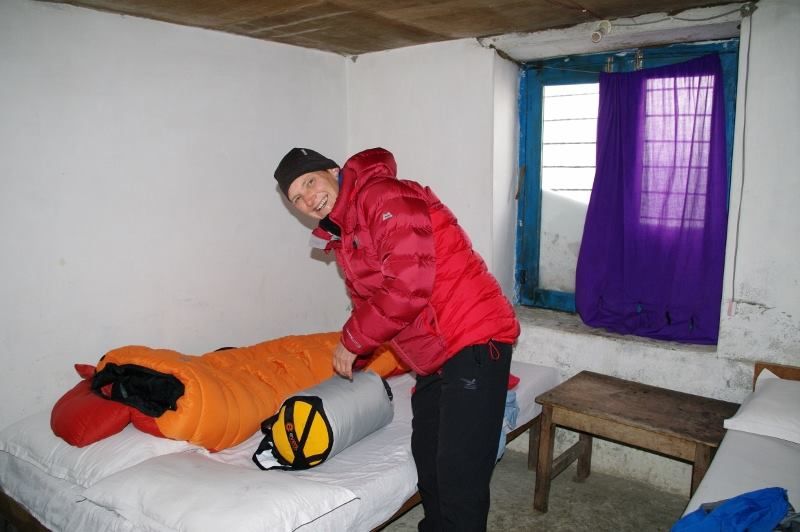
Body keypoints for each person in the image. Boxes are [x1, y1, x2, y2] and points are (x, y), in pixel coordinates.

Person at [273, 146, 520, 532]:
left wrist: (353, 340)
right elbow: (372, 300)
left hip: (473, 333)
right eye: (297, 199)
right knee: (428, 455)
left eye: (309, 182)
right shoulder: (346, 231)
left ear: (333, 171)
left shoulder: (382, 195)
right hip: (437, 351)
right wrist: (360, 347)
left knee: (460, 470)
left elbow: (408, 283)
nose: (308, 199)